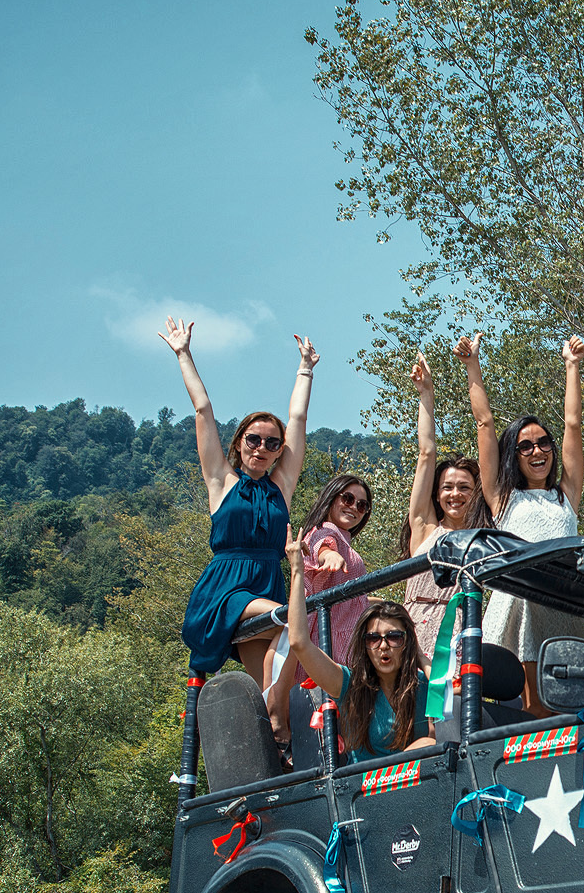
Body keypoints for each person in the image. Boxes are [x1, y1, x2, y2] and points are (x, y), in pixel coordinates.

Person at [167, 317, 314, 761]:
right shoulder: (221, 481)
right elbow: (203, 411)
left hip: (268, 576)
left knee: (272, 703)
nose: (263, 448)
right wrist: (183, 354)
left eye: (273, 444)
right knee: (292, 620)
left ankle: (274, 755)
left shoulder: (280, 485)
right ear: (239, 442)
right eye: (254, 439)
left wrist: (305, 370)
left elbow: (298, 417)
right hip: (229, 586)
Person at [474, 333, 584, 716]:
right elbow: (484, 424)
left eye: (543, 443)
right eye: (525, 446)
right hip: (520, 604)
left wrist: (572, 365)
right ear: (514, 455)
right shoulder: (503, 499)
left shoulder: (566, 494)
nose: (537, 450)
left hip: (562, 605)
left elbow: (572, 423)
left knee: (569, 706)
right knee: (530, 710)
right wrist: (472, 365)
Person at [285, 534, 435, 761]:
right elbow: (299, 643)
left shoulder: (421, 683)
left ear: (407, 642)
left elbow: (440, 733)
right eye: (373, 638)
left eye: (394, 637)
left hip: (424, 786)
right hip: (367, 790)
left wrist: (421, 660)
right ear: (364, 645)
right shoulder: (349, 685)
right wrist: (297, 571)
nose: (383, 645)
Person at [398, 347, 493, 697]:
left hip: (458, 635)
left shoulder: (483, 539)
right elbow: (426, 454)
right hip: (411, 634)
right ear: (437, 494)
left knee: (450, 724)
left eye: (465, 487)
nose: (455, 494)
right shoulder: (424, 529)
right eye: (448, 487)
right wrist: (426, 395)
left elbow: (487, 432)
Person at [286, 471, 375, 700]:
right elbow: (321, 546)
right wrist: (330, 556)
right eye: (347, 498)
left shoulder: (343, 537)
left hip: (343, 639)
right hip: (332, 643)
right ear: (331, 498)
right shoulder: (326, 529)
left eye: (362, 505)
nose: (354, 507)